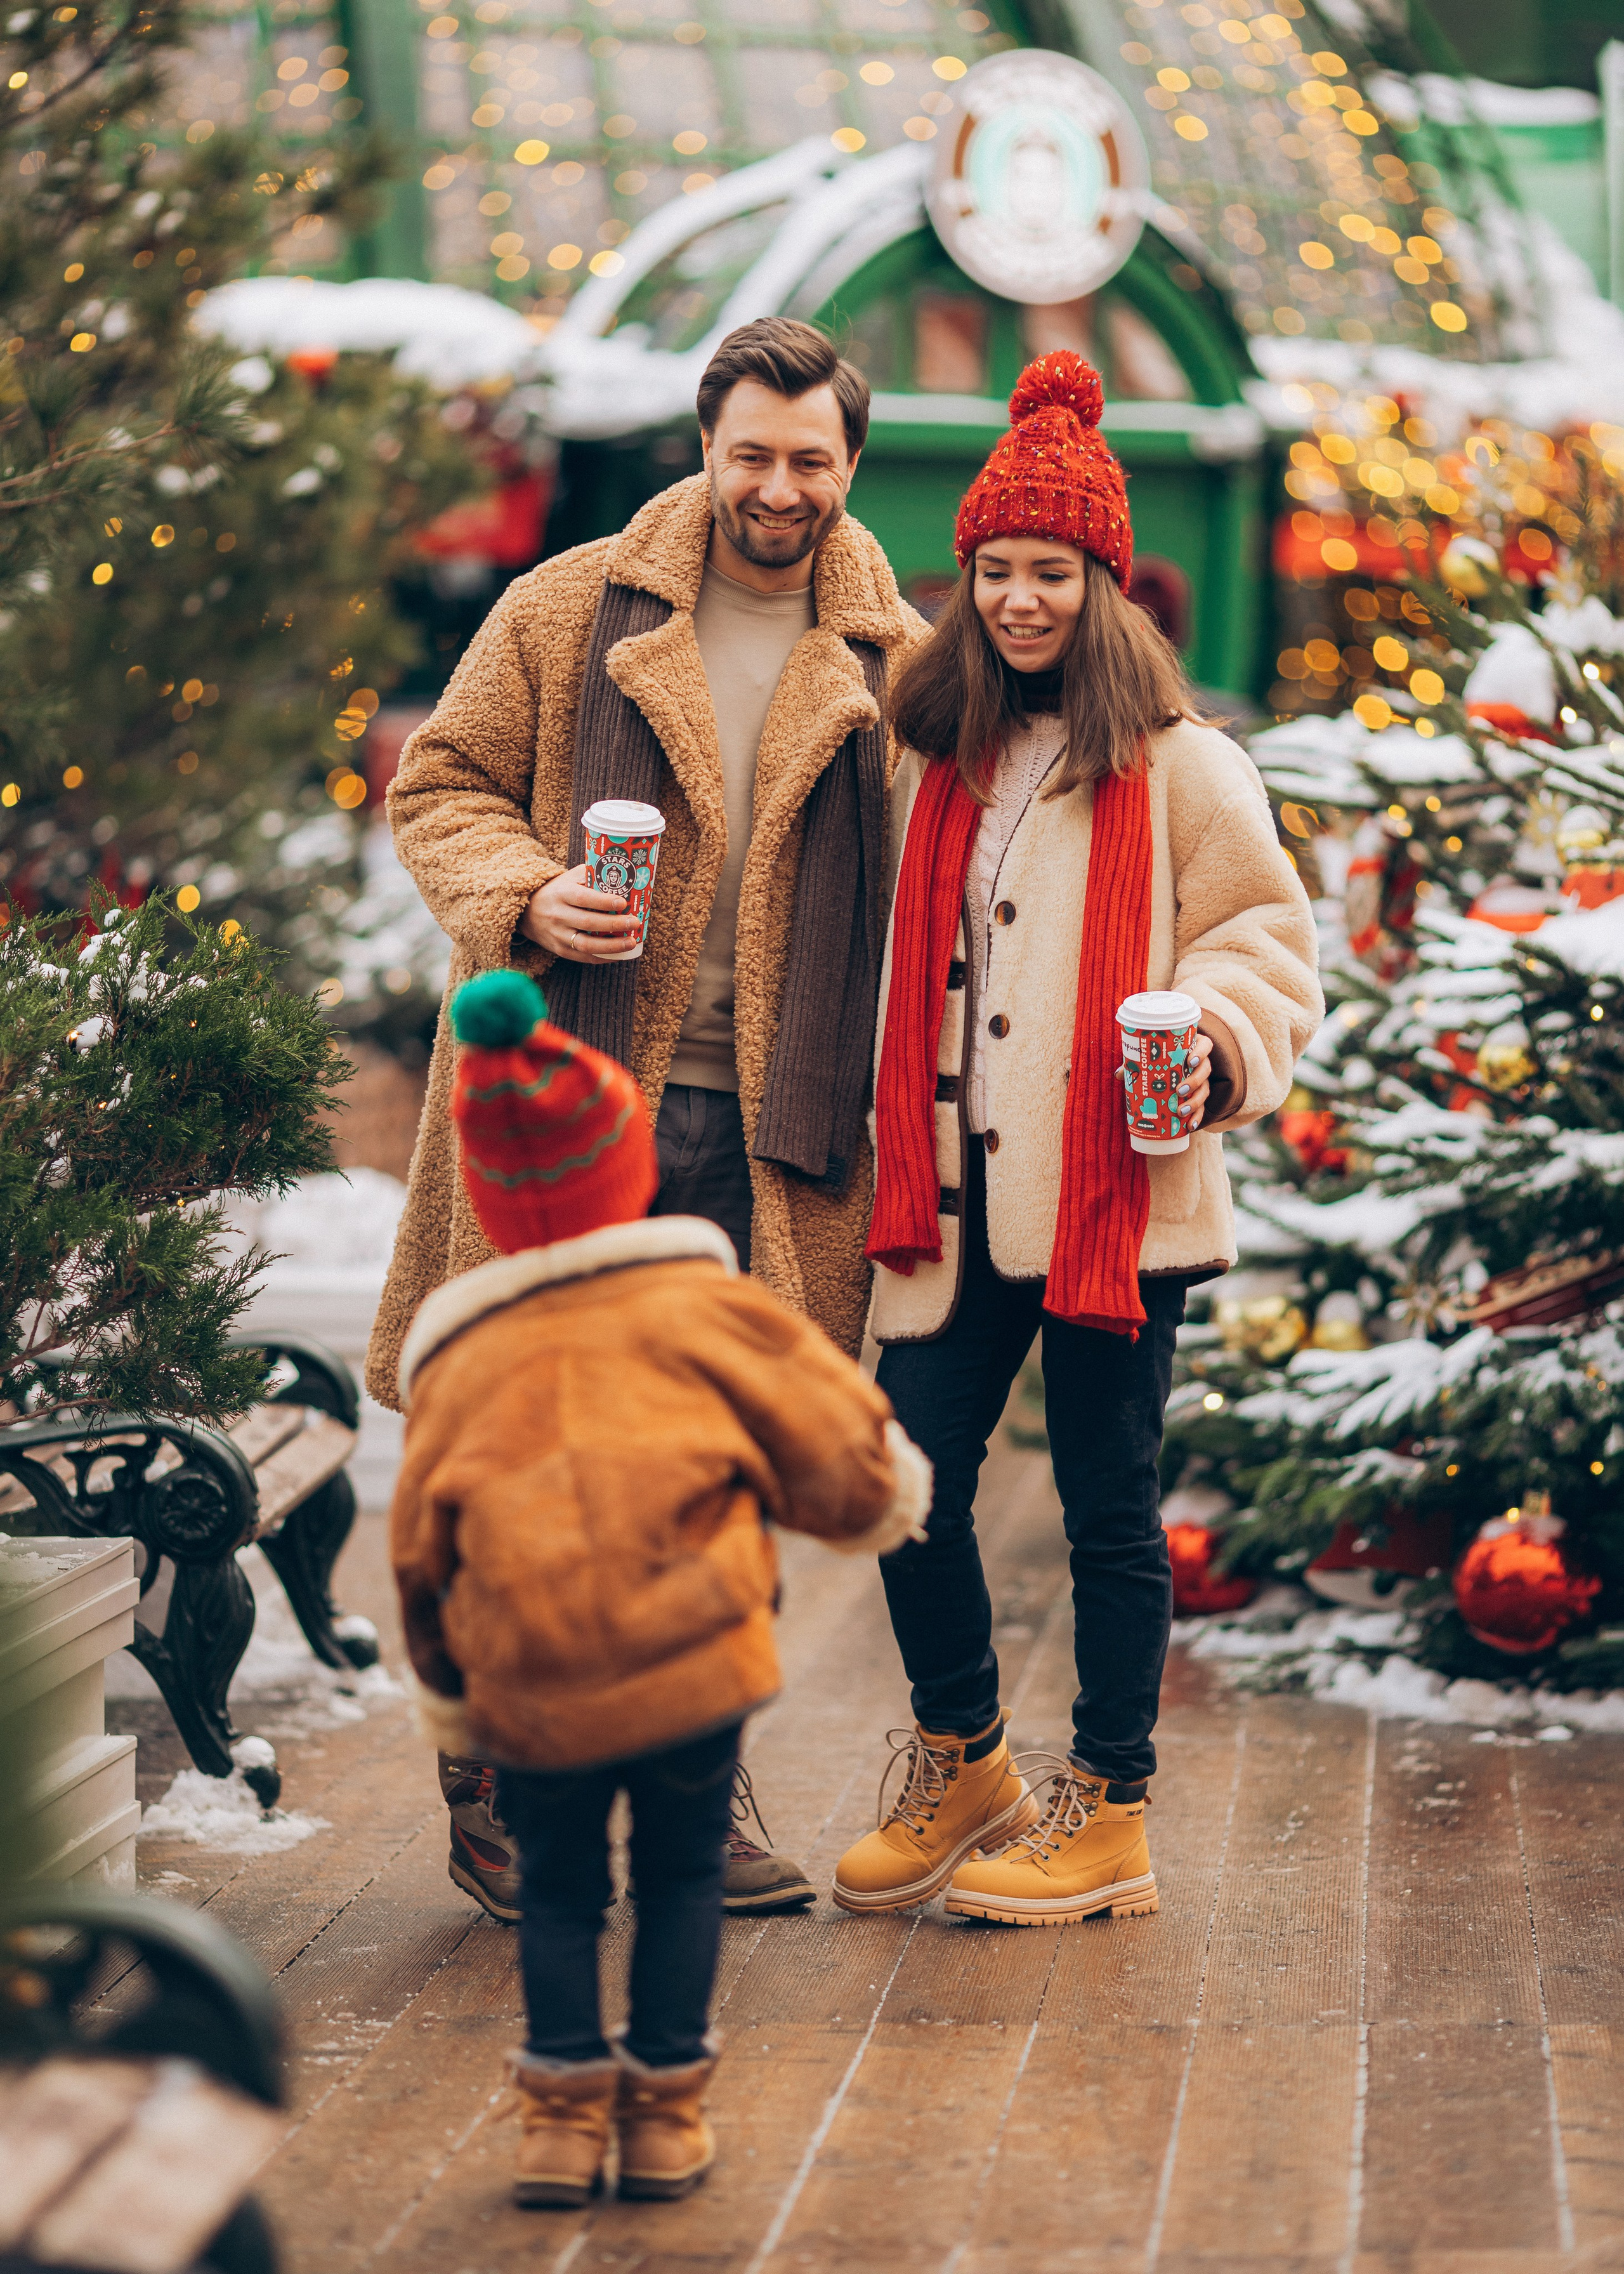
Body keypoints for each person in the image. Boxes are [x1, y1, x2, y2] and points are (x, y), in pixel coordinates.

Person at [366, 317, 928, 1921]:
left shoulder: (897, 654)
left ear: (850, 465)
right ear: (704, 447)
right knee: (525, 1446)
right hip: (568, 1102)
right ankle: (490, 1777)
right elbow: (440, 785)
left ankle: (697, 1782)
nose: (776, 487)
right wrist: (527, 895)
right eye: (749, 452)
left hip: (780, 1127)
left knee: (717, 1461)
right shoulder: (568, 610)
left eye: (808, 459)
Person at [832, 353, 1323, 1923]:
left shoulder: (1184, 765)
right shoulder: (932, 758)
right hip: (952, 1196)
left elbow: (1263, 949)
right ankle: (964, 1750)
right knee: (904, 1476)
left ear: (1102, 583)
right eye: (994, 570)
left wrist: (1214, 1039)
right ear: (962, 580)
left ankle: (1109, 1806)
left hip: (1121, 1195)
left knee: (1111, 1506)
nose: (1019, 600)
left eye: (1050, 571)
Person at [391, 969, 929, 2209]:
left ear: (495, 1202)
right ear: (625, 1165)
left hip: (531, 1682)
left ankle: (556, 2127)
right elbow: (837, 1447)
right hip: (694, 1662)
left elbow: (422, 1547)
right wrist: (878, 1500)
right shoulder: (708, 1308)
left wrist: (447, 1693)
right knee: (682, 1875)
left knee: (564, 1891)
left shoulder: (465, 1358)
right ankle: (666, 2120)